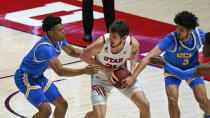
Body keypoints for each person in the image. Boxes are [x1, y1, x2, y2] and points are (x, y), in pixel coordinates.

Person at [127, 11, 210, 118]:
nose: (178, 32)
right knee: (172, 99)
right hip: (171, 70)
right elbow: (149, 57)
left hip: (191, 68)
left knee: (202, 99)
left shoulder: (200, 36)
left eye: (182, 30)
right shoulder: (171, 39)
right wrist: (133, 76)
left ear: (190, 30)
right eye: (177, 28)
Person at [14, 15, 98, 118]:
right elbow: (60, 71)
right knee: (45, 110)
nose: (63, 32)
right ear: (50, 32)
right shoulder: (45, 48)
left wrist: (90, 53)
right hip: (25, 78)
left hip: (38, 77)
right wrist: (84, 71)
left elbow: (72, 51)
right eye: (59, 30)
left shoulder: (59, 39)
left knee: (62, 105)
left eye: (62, 28)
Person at [80, 20, 150, 118]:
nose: (111, 39)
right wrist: (105, 69)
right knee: (98, 115)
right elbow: (83, 56)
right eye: (110, 35)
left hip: (122, 76)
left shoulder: (133, 44)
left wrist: (132, 72)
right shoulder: (102, 42)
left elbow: (134, 53)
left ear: (124, 37)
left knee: (145, 105)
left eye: (114, 37)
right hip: (101, 78)